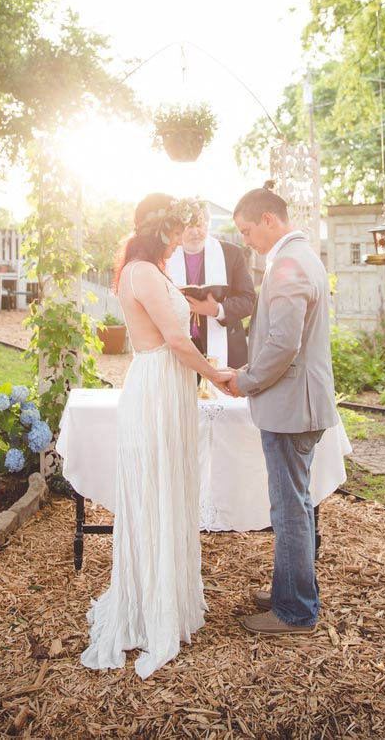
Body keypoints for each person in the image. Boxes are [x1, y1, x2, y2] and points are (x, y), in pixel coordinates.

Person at [80, 193, 230, 679]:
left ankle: (169, 599)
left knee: (169, 486)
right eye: (177, 229)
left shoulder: (151, 269)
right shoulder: (142, 272)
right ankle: (148, 608)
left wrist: (204, 373)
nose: (183, 237)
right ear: (161, 229)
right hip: (157, 385)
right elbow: (176, 339)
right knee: (155, 489)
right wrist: (214, 374)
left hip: (168, 384)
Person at [224, 186, 337, 635]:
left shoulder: (289, 263)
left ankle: (295, 610)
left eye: (248, 231)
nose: (247, 240)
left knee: (290, 508)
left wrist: (246, 379)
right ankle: (292, 588)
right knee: (296, 504)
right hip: (297, 404)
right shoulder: (298, 256)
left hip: (293, 407)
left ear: (269, 219)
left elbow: (284, 343)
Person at [166, 200, 255, 369]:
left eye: (200, 225)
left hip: (226, 346)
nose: (195, 232)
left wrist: (217, 310)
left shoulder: (231, 254)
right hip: (180, 346)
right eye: (188, 227)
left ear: (208, 224)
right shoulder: (166, 255)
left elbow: (249, 299)